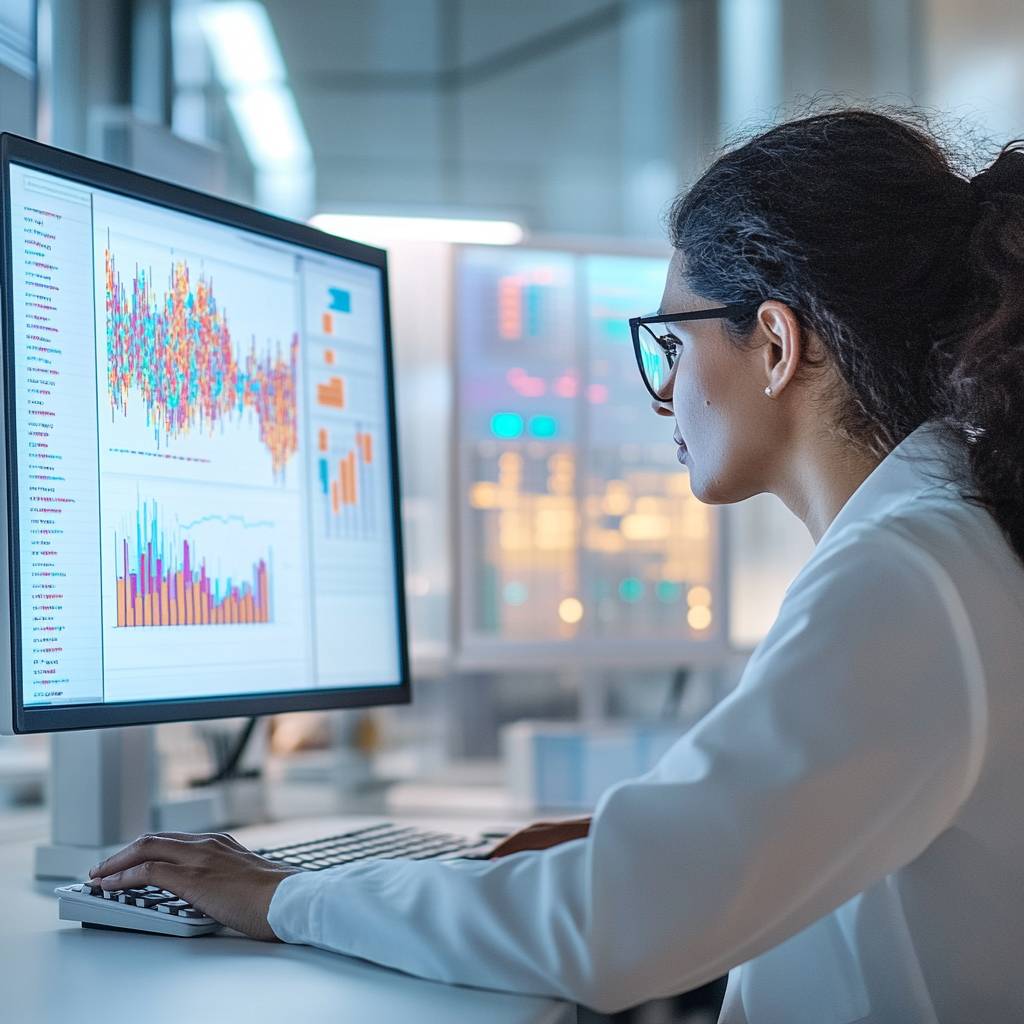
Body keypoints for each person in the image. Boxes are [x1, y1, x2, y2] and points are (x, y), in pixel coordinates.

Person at [90, 108, 1024, 1021]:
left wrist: (282, 899)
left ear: (775, 345)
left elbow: (609, 929)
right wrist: (613, 842)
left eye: (672, 344)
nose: (664, 397)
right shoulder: (946, 540)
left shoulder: (905, 577)